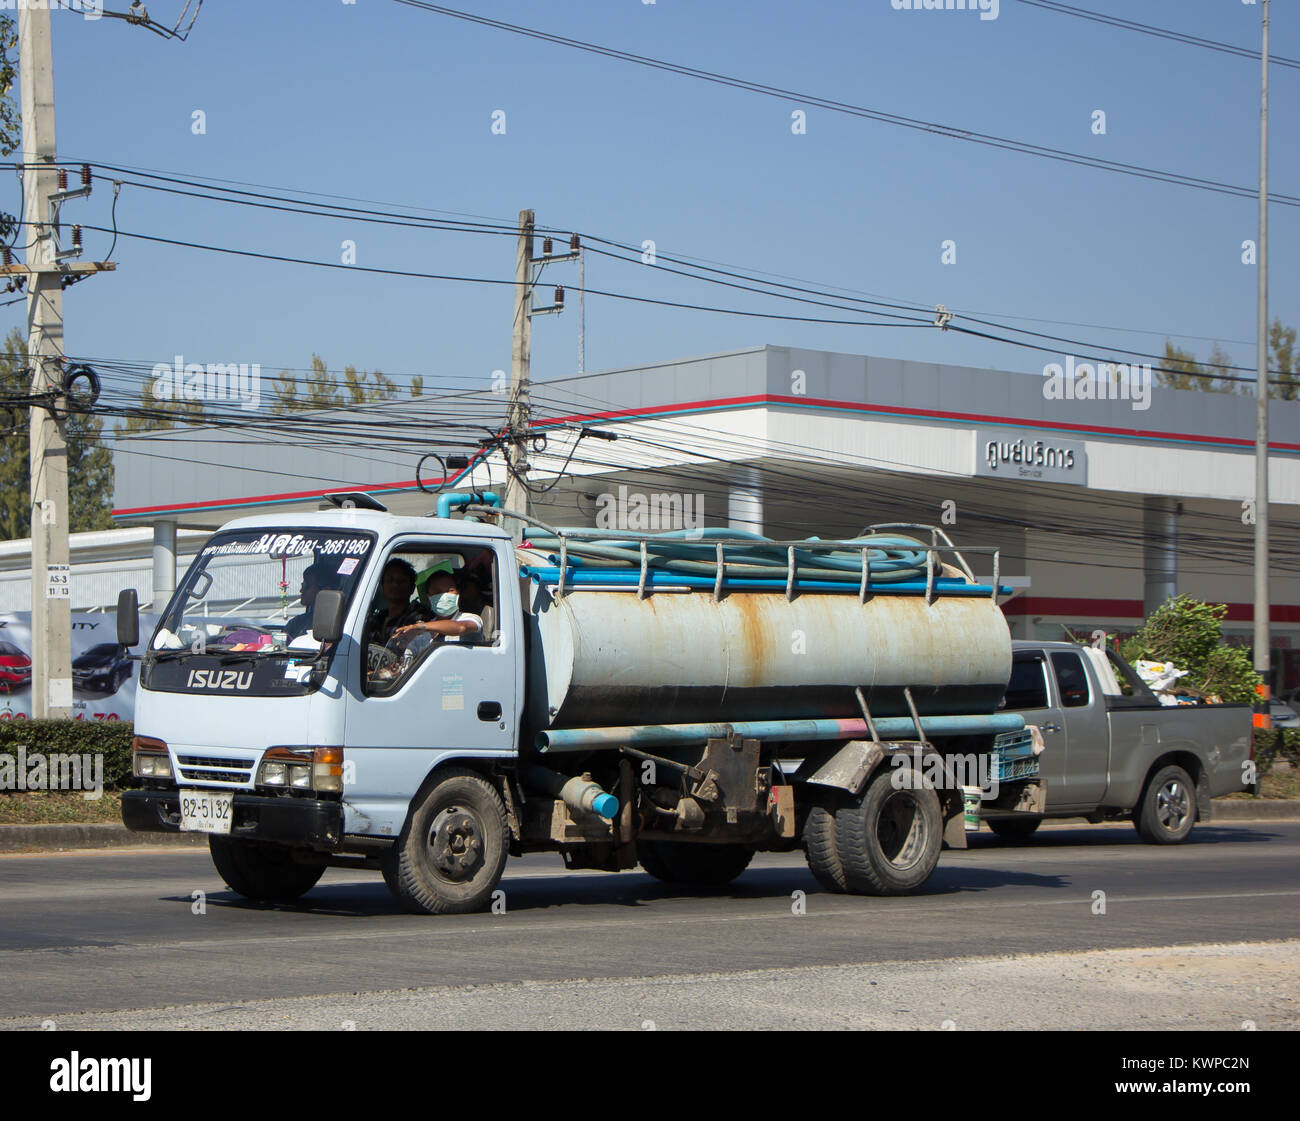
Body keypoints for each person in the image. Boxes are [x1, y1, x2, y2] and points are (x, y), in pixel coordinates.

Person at [394, 569, 482, 642]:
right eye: (438, 592)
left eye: (449, 590)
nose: (444, 596)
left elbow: (461, 628)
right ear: (429, 598)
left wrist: (423, 627)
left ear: (458, 593)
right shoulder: (423, 630)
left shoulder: (471, 618)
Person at [365, 558, 432, 647]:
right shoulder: (376, 619)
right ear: (382, 585)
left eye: (401, 581)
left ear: (412, 588)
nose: (395, 585)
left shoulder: (420, 616)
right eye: (390, 580)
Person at [285, 560, 340, 641]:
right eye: (302, 585)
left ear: (325, 591)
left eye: (306, 585)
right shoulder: (296, 623)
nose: (301, 590)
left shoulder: (337, 626)